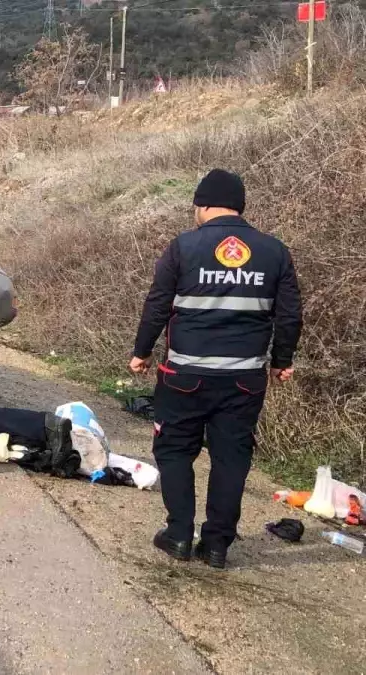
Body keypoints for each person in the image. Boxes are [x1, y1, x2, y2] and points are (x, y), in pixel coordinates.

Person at [130, 169, 303, 569]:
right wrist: (282, 360)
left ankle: (177, 536)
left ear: (202, 204)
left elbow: (157, 304)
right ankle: (217, 545)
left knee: (174, 451)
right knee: (231, 457)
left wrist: (141, 352)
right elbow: (290, 314)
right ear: (239, 206)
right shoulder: (274, 251)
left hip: (185, 376)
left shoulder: (183, 247)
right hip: (244, 379)